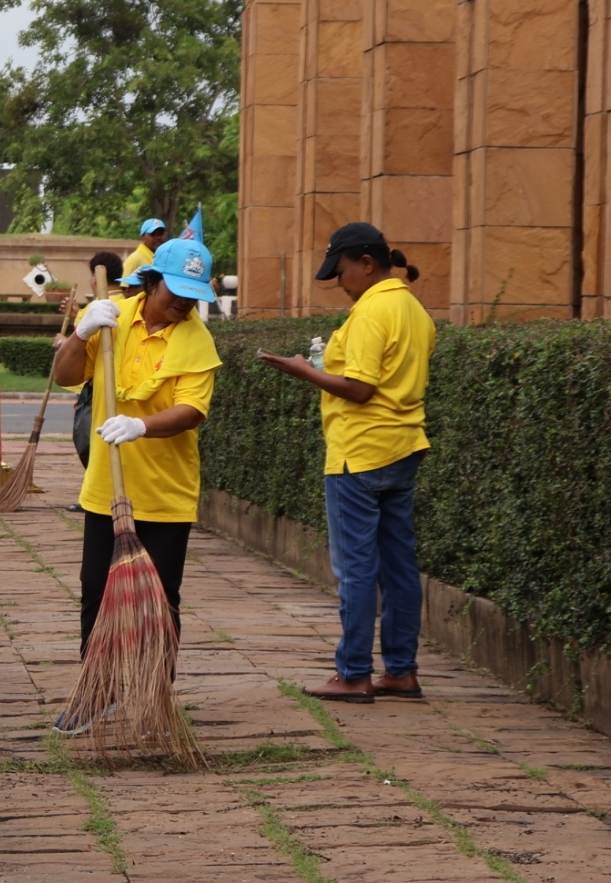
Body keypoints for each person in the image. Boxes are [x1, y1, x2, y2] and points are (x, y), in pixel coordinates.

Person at [258, 222, 435, 704]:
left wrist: (303, 371)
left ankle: (354, 673)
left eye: (340, 272)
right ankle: (401, 671)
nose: (339, 283)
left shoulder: (372, 311)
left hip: (358, 453)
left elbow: (359, 388)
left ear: (367, 263)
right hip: (403, 447)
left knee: (356, 569)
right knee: (399, 566)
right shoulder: (415, 310)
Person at [52, 237, 220, 656]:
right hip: (107, 489)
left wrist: (139, 425)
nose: (183, 302)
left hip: (165, 493)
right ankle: (98, 684)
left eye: (192, 295)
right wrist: (81, 333)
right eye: (175, 291)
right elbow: (65, 376)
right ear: (152, 282)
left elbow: (191, 411)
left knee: (159, 600)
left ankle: (154, 686)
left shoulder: (197, 339)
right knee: (95, 591)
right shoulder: (112, 317)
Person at [65, 251, 125, 513]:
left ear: (94, 277)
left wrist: (63, 342)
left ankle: (96, 496)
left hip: (94, 387)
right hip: (123, 385)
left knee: (89, 442)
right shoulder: (130, 303)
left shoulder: (95, 309)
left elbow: (77, 351)